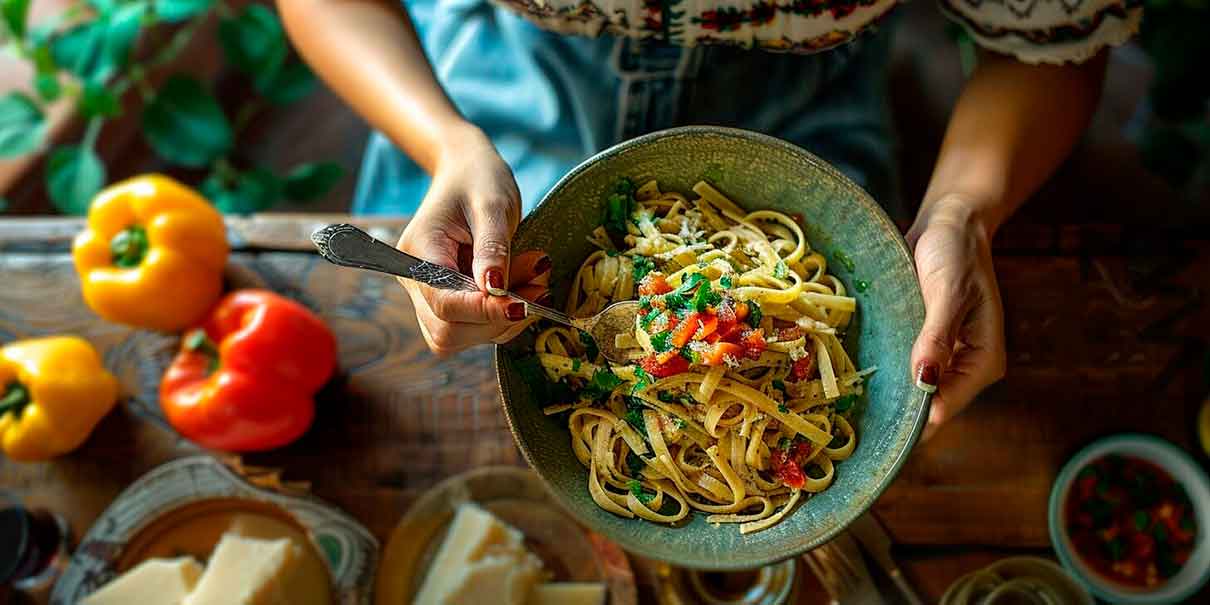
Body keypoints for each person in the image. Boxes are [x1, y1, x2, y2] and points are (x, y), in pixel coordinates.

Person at [278, 0, 1140, 439]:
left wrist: (963, 208)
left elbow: (1053, 37)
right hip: (497, 88)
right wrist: (445, 142)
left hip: (804, 106)